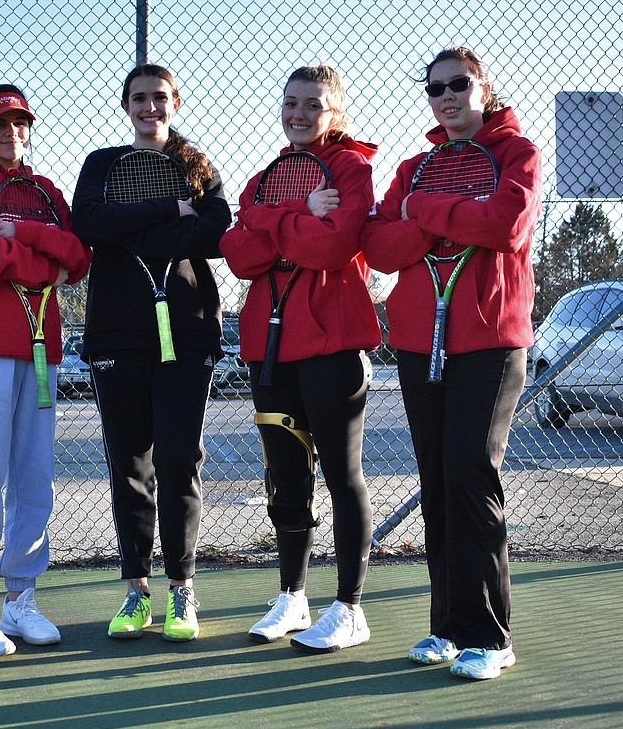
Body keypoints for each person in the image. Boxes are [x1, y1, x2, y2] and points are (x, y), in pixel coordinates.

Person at [362, 47, 542, 681]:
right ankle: (446, 627)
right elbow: (380, 246)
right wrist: (440, 220)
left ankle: (491, 635)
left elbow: (506, 225)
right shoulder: (415, 165)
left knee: (471, 472)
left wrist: (424, 212)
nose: (445, 95)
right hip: (418, 342)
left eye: (457, 84)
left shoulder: (516, 154)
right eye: (434, 87)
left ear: (483, 87)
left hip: (492, 342)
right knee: (437, 477)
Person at [220, 64, 381, 653]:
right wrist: (294, 215)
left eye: (314, 104)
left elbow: (336, 244)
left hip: (333, 346)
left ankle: (350, 607)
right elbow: (237, 253)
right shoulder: (269, 176)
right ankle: (292, 596)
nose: (300, 114)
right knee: (285, 476)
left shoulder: (351, 168)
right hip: (270, 347)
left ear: (335, 111)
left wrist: (271, 227)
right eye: (291, 102)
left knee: (341, 476)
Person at [72, 63, 231, 642]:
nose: (149, 107)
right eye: (139, 98)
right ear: (126, 105)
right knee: (130, 465)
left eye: (160, 97)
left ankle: (181, 592)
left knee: (178, 459)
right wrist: (169, 211)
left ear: (176, 103)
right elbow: (87, 222)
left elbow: (217, 230)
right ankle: (136, 589)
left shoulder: (198, 165)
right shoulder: (101, 164)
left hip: (188, 331)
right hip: (117, 334)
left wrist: (130, 229)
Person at [0, 85, 90, 658]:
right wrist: (42, 262)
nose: (11, 133)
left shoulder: (45, 191)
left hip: (42, 349)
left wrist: (25, 235)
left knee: (35, 475)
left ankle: (22, 597)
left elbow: (78, 260)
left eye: (20, 124)